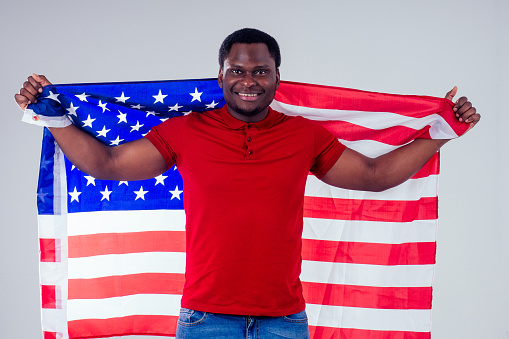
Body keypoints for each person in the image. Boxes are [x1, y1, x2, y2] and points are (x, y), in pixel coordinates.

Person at [15, 28, 479, 339]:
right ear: (221, 75)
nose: (248, 81)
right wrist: (50, 114)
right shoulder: (187, 131)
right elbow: (110, 163)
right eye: (237, 71)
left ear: (277, 77)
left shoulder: (304, 134)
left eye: (261, 71)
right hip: (205, 320)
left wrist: (441, 132)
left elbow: (376, 177)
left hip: (285, 321)